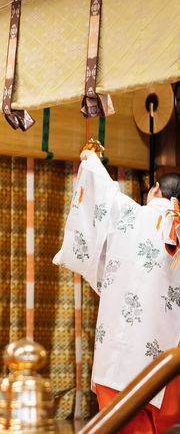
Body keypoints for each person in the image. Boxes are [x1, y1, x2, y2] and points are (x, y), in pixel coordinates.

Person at [53, 149, 180, 433]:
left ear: (155, 189)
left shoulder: (129, 214)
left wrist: (91, 159)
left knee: (117, 423)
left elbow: (102, 192)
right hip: (165, 368)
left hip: (116, 358)